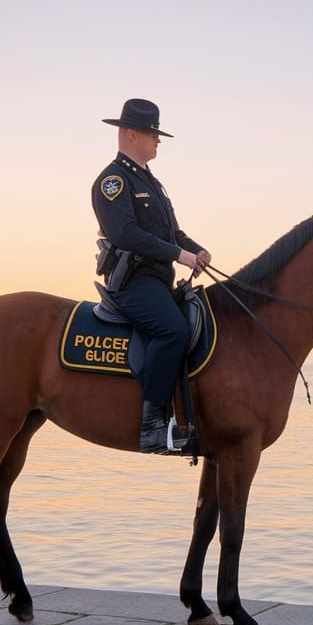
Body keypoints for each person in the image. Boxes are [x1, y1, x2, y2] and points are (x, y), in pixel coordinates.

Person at [92, 99, 211, 453]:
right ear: (132, 134)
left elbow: (171, 233)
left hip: (158, 280)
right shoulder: (113, 181)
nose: (158, 141)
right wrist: (181, 255)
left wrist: (197, 250)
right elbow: (126, 234)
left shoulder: (152, 183)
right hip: (133, 282)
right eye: (152, 134)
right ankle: (152, 426)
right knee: (173, 329)